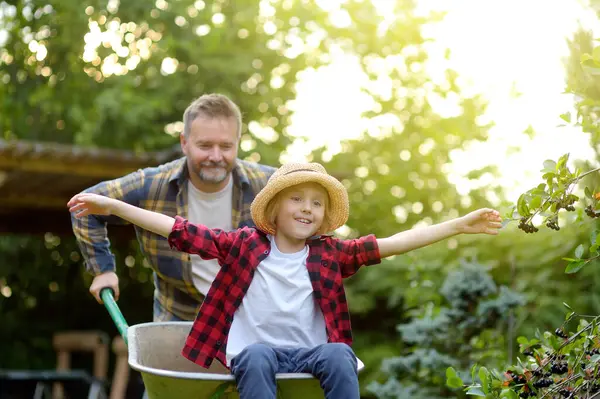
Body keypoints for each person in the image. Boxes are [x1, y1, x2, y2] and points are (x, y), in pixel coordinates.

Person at [67, 162, 503, 399]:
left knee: (338, 355)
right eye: (297, 198)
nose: (307, 208)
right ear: (273, 208)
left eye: (316, 203)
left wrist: (456, 225)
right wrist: (116, 208)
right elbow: (177, 229)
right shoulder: (242, 245)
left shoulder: (331, 253)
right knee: (255, 356)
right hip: (255, 356)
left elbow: (395, 242)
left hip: (308, 357)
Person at [70, 93, 275, 322]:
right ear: (184, 143)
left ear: (237, 143)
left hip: (250, 318)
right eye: (205, 145)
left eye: (226, 146)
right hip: (179, 317)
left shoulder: (270, 187)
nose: (216, 156)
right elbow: (83, 203)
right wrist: (103, 270)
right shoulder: (151, 185)